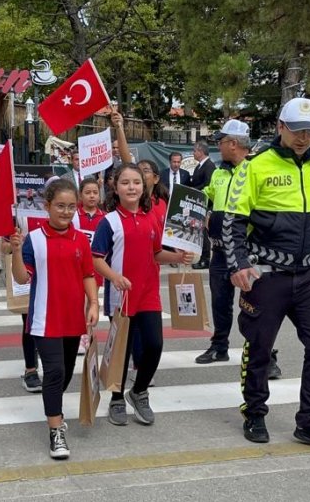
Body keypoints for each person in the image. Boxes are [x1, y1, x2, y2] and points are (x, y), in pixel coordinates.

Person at [224, 97, 310, 452]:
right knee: (260, 347)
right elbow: (233, 220)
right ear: (280, 127)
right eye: (296, 130)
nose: (303, 138)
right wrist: (239, 265)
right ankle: (255, 412)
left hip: (309, 274)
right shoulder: (255, 166)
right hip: (267, 274)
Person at [92, 163, 193, 426]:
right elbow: (96, 259)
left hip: (148, 293)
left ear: (144, 186)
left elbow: (156, 253)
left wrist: (179, 256)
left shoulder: (151, 218)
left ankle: (138, 392)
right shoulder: (109, 222)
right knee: (121, 351)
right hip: (122, 295)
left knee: (154, 345)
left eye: (136, 182)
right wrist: (114, 278)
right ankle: (116, 397)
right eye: (125, 182)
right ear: (115, 186)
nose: (132, 187)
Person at [10, 179, 99, 459]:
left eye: (72, 206)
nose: (66, 211)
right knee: (55, 371)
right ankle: (56, 429)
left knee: (66, 372)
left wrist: (94, 303)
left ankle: (54, 407)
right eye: (60, 206)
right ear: (47, 206)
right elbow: (22, 277)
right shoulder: (34, 240)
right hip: (44, 320)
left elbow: (88, 274)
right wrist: (15, 250)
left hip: (73, 318)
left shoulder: (80, 239)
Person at [196, 120, 282, 380]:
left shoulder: (255, 170)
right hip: (220, 253)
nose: (218, 146)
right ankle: (219, 346)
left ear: (233, 144)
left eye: (221, 141)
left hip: (248, 253)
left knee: (257, 308)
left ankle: (267, 357)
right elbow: (206, 195)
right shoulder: (220, 172)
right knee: (220, 304)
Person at [72, 177, 105, 354]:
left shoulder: (104, 218)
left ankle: (87, 333)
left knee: (91, 301)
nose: (92, 196)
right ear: (80, 195)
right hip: (75, 267)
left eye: (95, 192)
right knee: (78, 301)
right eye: (87, 193)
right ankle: (77, 333)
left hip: (95, 269)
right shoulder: (74, 216)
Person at [190, 140, 215, 269]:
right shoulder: (199, 166)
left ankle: (206, 259)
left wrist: (194, 191)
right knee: (199, 231)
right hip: (198, 203)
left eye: (194, 150)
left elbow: (208, 185)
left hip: (204, 203)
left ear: (201, 151)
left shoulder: (209, 166)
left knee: (203, 231)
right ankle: (202, 257)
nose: (193, 153)